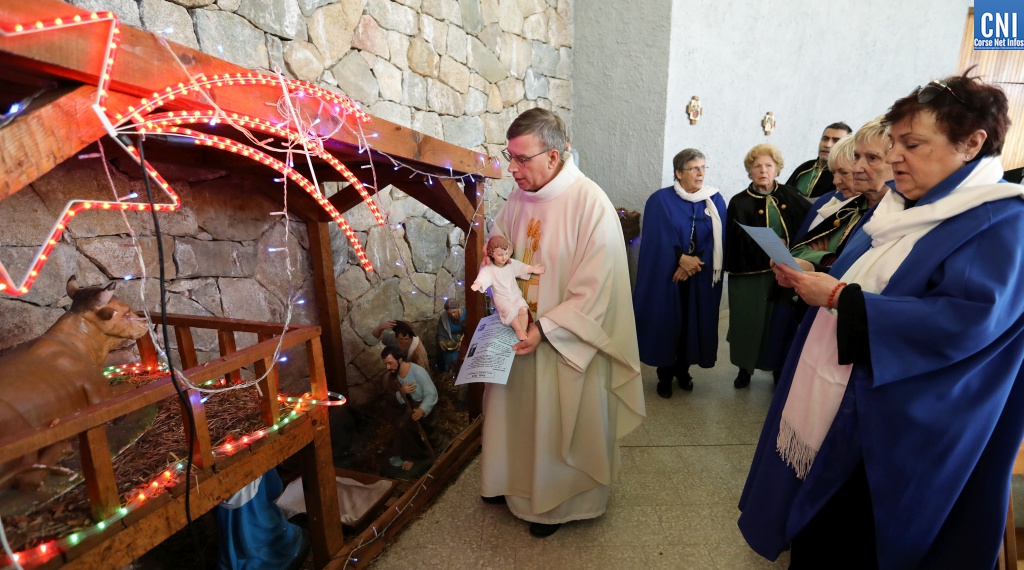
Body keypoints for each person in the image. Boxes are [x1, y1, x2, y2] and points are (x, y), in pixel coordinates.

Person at [738, 73, 1024, 569]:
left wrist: (841, 301)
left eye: (911, 144)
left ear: (972, 142)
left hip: (897, 433)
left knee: (856, 545)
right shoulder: (907, 209)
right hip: (847, 406)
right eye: (893, 142)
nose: (893, 158)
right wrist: (822, 278)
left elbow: (965, 323)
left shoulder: (999, 222)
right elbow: (878, 281)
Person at [479, 108, 645, 538]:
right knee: (514, 410)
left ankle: (558, 503)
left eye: (521, 159)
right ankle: (508, 480)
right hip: (517, 331)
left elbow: (597, 289)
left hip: (561, 342)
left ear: (553, 157)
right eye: (508, 156)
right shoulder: (520, 195)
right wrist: (495, 243)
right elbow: (501, 237)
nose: (511, 169)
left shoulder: (591, 204)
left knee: (556, 417)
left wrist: (544, 329)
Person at [634, 148, 726, 398]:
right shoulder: (660, 200)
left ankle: (684, 371)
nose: (700, 173)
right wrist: (680, 259)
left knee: (692, 323)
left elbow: (719, 240)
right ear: (678, 172)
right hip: (667, 275)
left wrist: (695, 263)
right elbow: (656, 238)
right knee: (667, 322)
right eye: (694, 168)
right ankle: (664, 375)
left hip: (701, 274)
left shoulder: (714, 200)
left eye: (703, 168)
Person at [725, 144, 809, 389]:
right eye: (757, 166)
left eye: (768, 165)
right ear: (750, 171)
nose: (763, 170)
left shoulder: (792, 196)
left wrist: (788, 242)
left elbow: (809, 228)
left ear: (777, 169)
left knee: (779, 320)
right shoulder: (739, 202)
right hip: (748, 274)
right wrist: (762, 242)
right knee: (748, 321)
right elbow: (733, 239)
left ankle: (778, 367)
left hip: (783, 271)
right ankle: (744, 369)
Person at [380, 346, 443, 476]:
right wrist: (401, 393)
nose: (388, 367)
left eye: (390, 363)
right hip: (406, 406)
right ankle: (403, 452)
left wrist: (422, 409)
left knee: (404, 425)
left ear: (400, 359)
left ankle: (416, 456)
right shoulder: (393, 376)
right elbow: (390, 396)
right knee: (397, 421)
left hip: (423, 408)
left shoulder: (418, 372)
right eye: (386, 364)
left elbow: (431, 393)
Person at [471, 235, 546, 340]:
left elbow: (521, 267)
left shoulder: (510, 264)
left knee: (523, 309)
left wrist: (532, 269)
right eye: (500, 254)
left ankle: (524, 330)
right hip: (502, 298)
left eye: (506, 253)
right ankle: (518, 330)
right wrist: (478, 283)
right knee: (510, 310)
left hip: (514, 294)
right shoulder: (489, 269)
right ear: (492, 254)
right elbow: (483, 276)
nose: (504, 257)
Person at [786, 122, 853, 200]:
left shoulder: (847, 175)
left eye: (836, 141)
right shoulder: (805, 167)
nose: (827, 145)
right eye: (825, 139)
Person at [436, 299, 465, 372]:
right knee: (450, 356)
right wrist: (441, 342)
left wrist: (462, 340)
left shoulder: (467, 313)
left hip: (466, 340)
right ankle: (451, 377)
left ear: (458, 308)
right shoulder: (444, 317)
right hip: (451, 341)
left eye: (454, 312)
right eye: (449, 314)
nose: (452, 315)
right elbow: (441, 333)